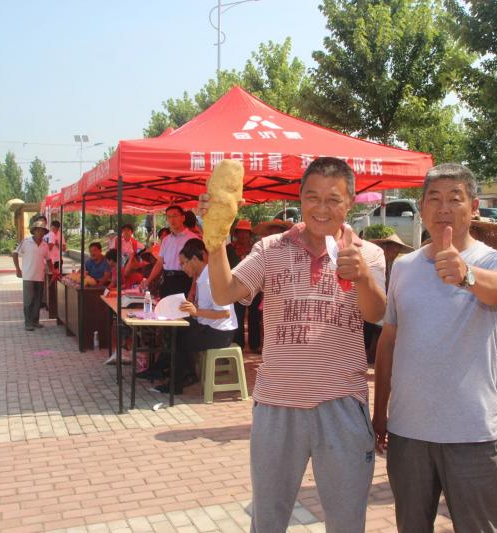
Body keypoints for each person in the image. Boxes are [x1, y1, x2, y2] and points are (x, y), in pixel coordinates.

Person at [201, 157, 386, 532]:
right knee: (268, 520)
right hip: (276, 405)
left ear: (350, 202)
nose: (322, 208)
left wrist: (363, 277)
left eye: (333, 199)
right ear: (300, 199)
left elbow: (376, 313)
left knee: (347, 521)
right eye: (312, 197)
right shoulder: (270, 248)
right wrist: (215, 238)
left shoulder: (368, 253)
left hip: (342, 404)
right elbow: (224, 292)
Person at [373, 163, 497, 533]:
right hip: (408, 431)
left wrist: (466, 275)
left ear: (474, 207)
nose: (443, 209)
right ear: (421, 207)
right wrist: (380, 412)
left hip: (471, 432)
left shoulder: (493, 260)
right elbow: (388, 342)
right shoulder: (403, 266)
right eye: (433, 199)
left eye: (455, 199)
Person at [149, 238, 237, 394]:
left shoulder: (210, 279)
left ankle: (176, 384)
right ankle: (179, 374)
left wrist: (196, 311)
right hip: (210, 326)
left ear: (195, 259)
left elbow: (225, 312)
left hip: (221, 333)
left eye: (184, 263)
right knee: (175, 331)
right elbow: (205, 308)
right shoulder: (202, 278)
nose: (182, 268)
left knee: (180, 340)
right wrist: (192, 308)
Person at [364, 232, 413, 363]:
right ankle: (369, 356)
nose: (395, 253)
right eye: (394, 249)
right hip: (372, 302)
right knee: (371, 329)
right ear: (386, 248)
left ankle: (374, 356)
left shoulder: (393, 265)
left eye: (397, 251)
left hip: (385, 304)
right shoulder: (376, 262)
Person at [12, 217, 56, 331]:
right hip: (28, 276)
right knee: (28, 301)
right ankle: (28, 323)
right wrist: (18, 269)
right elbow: (15, 253)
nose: (40, 232)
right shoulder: (26, 242)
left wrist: (54, 271)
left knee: (38, 301)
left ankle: (35, 321)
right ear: (34, 231)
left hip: (40, 277)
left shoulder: (45, 245)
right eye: (38, 230)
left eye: (42, 231)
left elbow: (48, 260)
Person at [143, 206, 194, 298]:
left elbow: (198, 269)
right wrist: (148, 280)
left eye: (175, 216)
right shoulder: (166, 240)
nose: (172, 220)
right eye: (169, 217)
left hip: (184, 280)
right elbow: (159, 263)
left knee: (182, 307)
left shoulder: (192, 238)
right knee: (164, 306)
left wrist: (193, 289)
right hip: (167, 280)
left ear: (183, 218)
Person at [226, 219, 260, 351]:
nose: (243, 235)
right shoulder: (229, 249)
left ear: (250, 234)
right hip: (236, 286)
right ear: (236, 233)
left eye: (246, 232)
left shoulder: (256, 248)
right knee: (237, 315)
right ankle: (238, 344)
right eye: (240, 232)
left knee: (254, 315)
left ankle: (255, 344)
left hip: (255, 286)